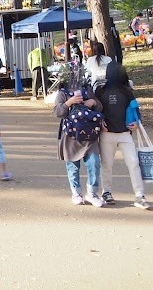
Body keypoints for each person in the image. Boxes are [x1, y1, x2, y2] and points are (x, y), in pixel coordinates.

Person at [95, 62, 150, 209]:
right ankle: (107, 192)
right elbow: (96, 110)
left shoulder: (126, 91)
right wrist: (100, 122)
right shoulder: (101, 90)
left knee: (133, 163)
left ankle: (139, 195)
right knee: (108, 164)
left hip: (124, 134)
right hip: (107, 134)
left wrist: (137, 122)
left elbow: (135, 110)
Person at [53, 64, 105, 206]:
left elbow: (100, 106)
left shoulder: (87, 90)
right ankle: (76, 193)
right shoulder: (62, 93)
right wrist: (69, 103)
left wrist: (92, 102)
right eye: (72, 73)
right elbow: (57, 112)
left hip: (90, 134)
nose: (75, 76)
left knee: (94, 162)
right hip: (70, 135)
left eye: (78, 73)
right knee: (72, 166)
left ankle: (92, 193)